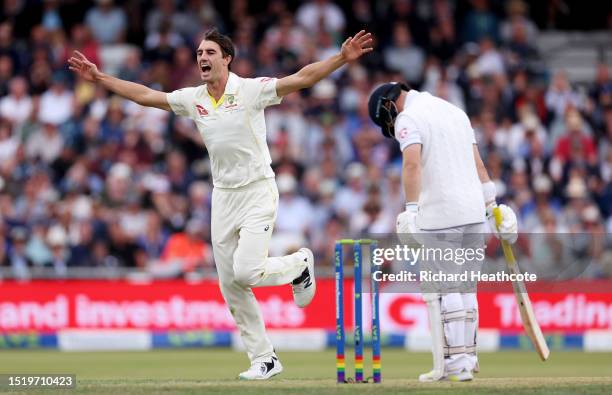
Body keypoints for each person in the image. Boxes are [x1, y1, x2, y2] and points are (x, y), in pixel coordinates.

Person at [69, 28, 373, 380]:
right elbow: (146, 95)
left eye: (210, 52)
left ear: (227, 58)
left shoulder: (251, 90)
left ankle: (298, 264)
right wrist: (99, 77)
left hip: (258, 190)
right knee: (230, 283)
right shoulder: (194, 98)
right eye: (199, 52)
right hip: (223, 196)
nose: (202, 58)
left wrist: (340, 59)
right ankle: (265, 358)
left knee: (246, 272)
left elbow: (301, 79)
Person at [368, 83, 518, 381]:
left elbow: (411, 165)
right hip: (474, 212)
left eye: (388, 119)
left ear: (389, 104)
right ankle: (467, 358)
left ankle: (456, 363)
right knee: (465, 288)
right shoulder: (455, 111)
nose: (392, 125)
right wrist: (493, 207)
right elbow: (479, 165)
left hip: (441, 213)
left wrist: (411, 210)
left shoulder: (409, 118)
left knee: (447, 289)